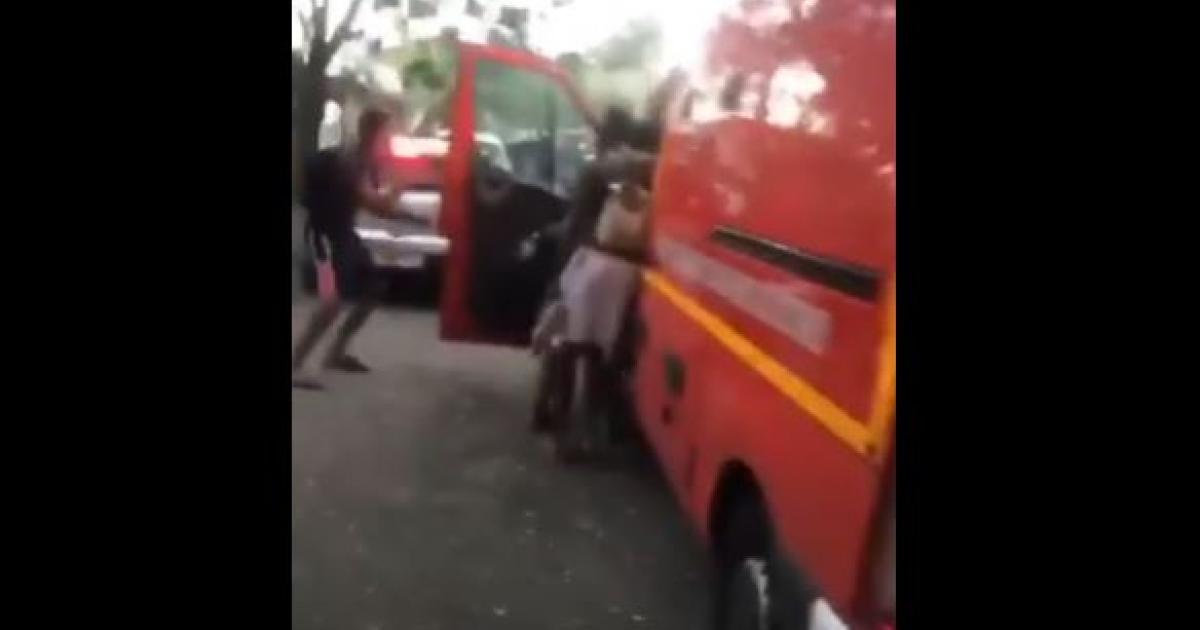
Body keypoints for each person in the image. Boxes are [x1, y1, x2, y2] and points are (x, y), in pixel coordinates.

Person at [292, 108, 411, 390]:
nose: (390, 140)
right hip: (324, 237)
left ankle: (336, 353)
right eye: (387, 133)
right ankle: (295, 365)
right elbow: (378, 206)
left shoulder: (364, 160)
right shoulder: (350, 162)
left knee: (373, 288)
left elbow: (377, 205)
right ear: (374, 133)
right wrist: (399, 188)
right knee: (331, 302)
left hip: (344, 235)